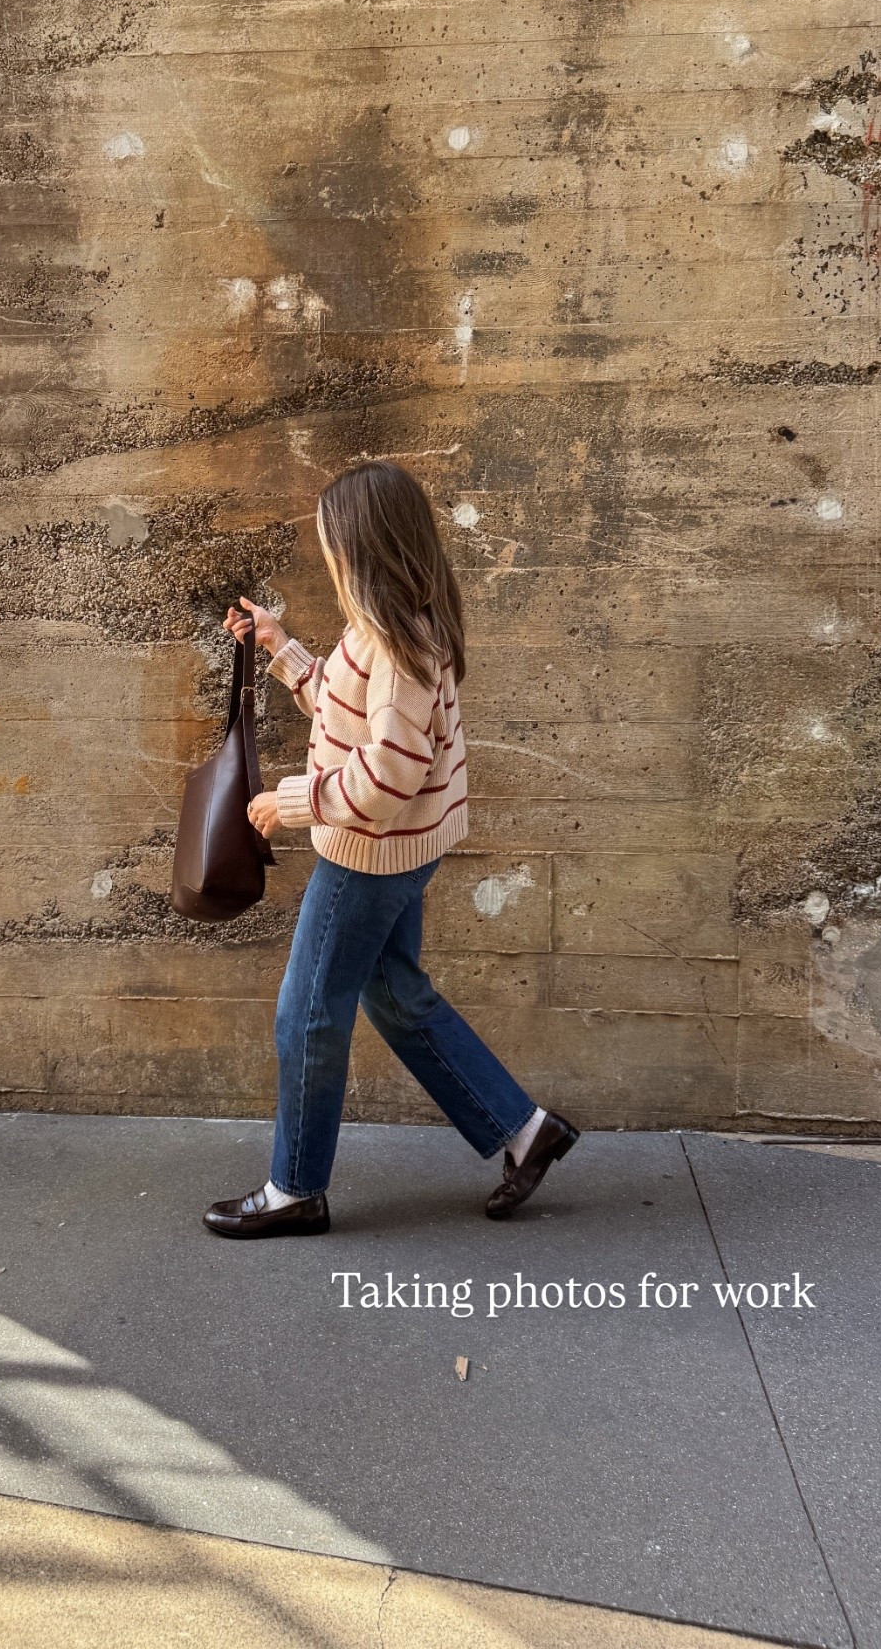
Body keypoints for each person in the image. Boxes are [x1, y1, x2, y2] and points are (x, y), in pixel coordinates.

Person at [202, 460, 579, 1240]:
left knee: (307, 1014)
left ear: (362, 551)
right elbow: (348, 716)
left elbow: (387, 776)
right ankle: (525, 1130)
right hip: (397, 850)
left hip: (367, 857)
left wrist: (294, 801)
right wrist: (283, 649)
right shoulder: (390, 629)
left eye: (332, 548)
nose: (329, 560)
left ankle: (295, 1189)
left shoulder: (397, 645)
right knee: (395, 995)